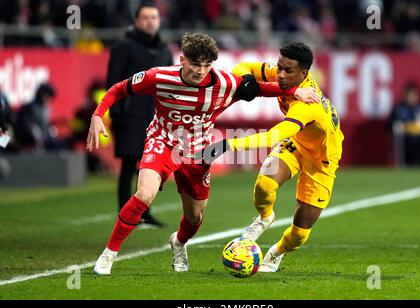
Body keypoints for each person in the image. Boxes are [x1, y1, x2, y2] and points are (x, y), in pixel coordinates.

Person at [87, 32, 318, 275]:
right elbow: (118, 89)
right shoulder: (159, 77)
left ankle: (179, 242)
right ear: (183, 59)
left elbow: (259, 88)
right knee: (144, 194)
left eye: (206, 65)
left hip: (199, 152)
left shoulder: (224, 83)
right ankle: (108, 254)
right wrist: (97, 114)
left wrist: (293, 92)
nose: (200, 70)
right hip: (163, 142)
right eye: (195, 64)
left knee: (195, 218)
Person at [198, 42, 344, 273]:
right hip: (297, 143)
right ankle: (265, 218)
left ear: (304, 74)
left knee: (299, 234)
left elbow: (272, 137)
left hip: (321, 161)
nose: (281, 75)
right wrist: (247, 80)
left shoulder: (307, 105)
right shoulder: (282, 74)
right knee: (265, 183)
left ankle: (276, 252)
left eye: (288, 71)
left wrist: (227, 145)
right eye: (280, 68)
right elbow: (242, 66)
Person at [107, 3, 173, 229]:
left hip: (156, 118)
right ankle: (125, 214)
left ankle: (145, 213)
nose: (150, 21)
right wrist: (116, 114)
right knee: (128, 166)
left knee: (150, 167)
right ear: (136, 21)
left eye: (154, 17)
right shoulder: (123, 47)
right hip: (129, 116)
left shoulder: (164, 49)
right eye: (145, 17)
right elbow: (113, 83)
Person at [389, 82, 420, 166]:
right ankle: (409, 164)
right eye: (412, 94)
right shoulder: (399, 108)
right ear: (406, 95)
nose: (414, 97)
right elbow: (391, 124)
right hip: (405, 136)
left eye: (416, 95)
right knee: (411, 141)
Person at [14, 83, 60, 151]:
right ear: (41, 94)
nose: (48, 99)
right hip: (28, 141)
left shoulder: (46, 108)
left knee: (56, 144)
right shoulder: (29, 107)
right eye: (47, 96)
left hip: (43, 140)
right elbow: (25, 126)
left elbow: (46, 126)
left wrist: (50, 132)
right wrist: (36, 134)